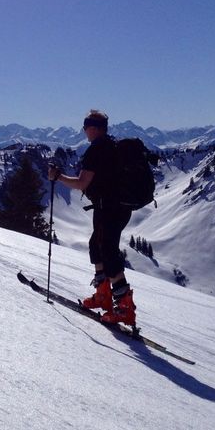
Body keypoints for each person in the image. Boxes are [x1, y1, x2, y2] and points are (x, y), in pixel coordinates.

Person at [48, 110, 137, 327]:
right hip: (115, 207)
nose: (84, 131)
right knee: (97, 246)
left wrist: (58, 177)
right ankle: (103, 295)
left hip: (110, 208)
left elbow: (81, 183)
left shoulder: (97, 150)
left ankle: (124, 308)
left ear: (94, 128)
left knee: (107, 250)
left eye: (86, 127)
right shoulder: (111, 145)